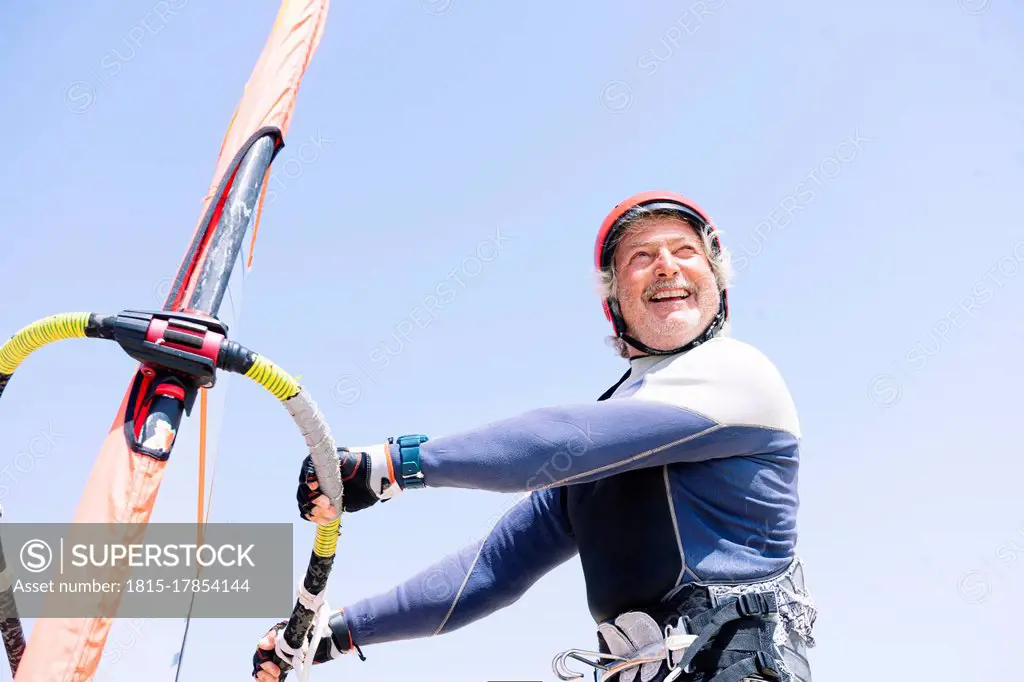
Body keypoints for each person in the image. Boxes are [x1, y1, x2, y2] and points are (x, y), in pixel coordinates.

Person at [253, 190, 817, 682]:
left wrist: (394, 465)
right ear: (614, 300)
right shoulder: (609, 440)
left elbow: (557, 439)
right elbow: (490, 570)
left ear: (717, 282)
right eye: (641, 258)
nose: (666, 266)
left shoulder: (739, 374)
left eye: (685, 251)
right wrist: (337, 634)